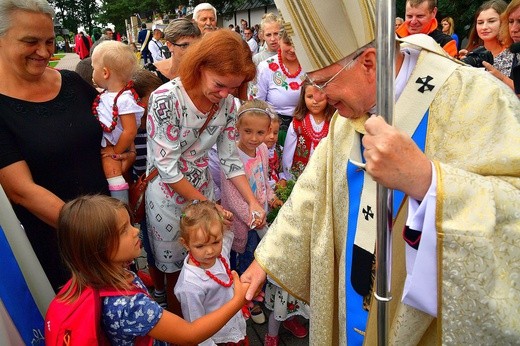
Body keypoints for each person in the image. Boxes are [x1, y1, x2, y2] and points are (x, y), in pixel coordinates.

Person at [241, 0, 520, 344]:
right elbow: (315, 188)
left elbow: (513, 210)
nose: (322, 98)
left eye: (325, 83)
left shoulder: (478, 98)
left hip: (420, 316)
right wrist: (266, 260)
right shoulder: (350, 114)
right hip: (354, 292)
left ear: (370, 63)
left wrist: (427, 180)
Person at [145, 29, 266, 316]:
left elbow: (229, 159)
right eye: (220, 84)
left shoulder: (229, 104)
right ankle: (183, 328)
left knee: (208, 260)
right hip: (167, 199)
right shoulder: (166, 99)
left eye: (232, 88)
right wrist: (208, 203)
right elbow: (168, 168)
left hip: (203, 192)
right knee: (176, 272)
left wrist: (252, 201)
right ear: (199, 66)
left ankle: (208, 322)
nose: (225, 95)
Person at [0, 0, 111, 292]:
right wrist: (91, 233)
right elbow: (20, 190)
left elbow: (106, 131)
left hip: (108, 227)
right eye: (30, 41)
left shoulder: (73, 82)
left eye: (49, 41)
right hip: (61, 242)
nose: (45, 51)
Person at [56, 195, 250, 345]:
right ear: (99, 249)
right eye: (124, 230)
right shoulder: (130, 306)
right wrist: (237, 301)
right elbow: (190, 335)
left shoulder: (112, 273)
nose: (135, 231)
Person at [219, 100, 283, 326]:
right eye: (248, 131)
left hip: (260, 215)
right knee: (245, 259)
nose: (254, 138)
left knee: (260, 255)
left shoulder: (263, 149)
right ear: (237, 127)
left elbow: (263, 179)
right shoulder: (232, 155)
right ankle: (247, 298)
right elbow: (232, 196)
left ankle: (257, 290)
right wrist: (251, 217)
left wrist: (271, 196)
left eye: (260, 132)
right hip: (245, 222)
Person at [174, 200, 248, 345]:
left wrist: (228, 221)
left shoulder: (220, 253)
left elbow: (228, 236)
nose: (209, 251)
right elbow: (196, 327)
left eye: (215, 242)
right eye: (200, 246)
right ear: (185, 243)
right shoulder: (190, 285)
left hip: (233, 322)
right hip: (217, 338)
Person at [91, 40, 144, 204]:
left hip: (114, 146)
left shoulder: (124, 99)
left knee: (111, 169)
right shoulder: (108, 94)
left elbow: (130, 131)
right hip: (108, 142)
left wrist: (116, 151)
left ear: (105, 73)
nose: (92, 72)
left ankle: (121, 204)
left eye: (94, 68)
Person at [280, 81, 335, 183]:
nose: (315, 101)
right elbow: (288, 152)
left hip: (324, 178)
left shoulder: (333, 123)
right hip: (298, 177)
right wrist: (289, 177)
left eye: (320, 97)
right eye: (310, 97)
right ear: (303, 98)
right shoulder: (297, 122)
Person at [459, 0, 509, 75]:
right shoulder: (472, 53)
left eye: (491, 21)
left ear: (504, 21)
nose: (484, 27)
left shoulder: (514, 55)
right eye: (480, 22)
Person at [144, 18, 201, 83]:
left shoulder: (203, 73)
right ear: (170, 46)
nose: (191, 51)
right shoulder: (151, 75)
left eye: (195, 46)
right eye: (185, 45)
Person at [481, 0, 520, 92]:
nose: (514, 29)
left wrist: (502, 78)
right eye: (510, 21)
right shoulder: (514, 51)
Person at [264, 115, 283, 188]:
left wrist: (282, 179)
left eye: (275, 133)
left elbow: (281, 169)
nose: (272, 136)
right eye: (268, 132)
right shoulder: (256, 153)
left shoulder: (279, 150)